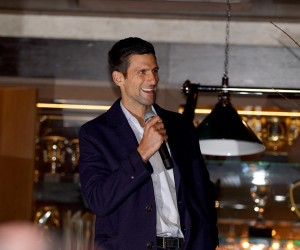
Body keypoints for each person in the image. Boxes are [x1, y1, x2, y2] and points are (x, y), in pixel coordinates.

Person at [79, 37, 219, 250]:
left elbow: (202, 190)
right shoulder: (96, 134)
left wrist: (208, 241)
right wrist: (142, 153)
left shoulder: (180, 126)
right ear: (119, 78)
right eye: (142, 72)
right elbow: (98, 200)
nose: (152, 80)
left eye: (155, 71)